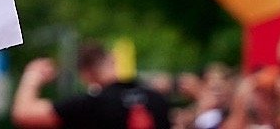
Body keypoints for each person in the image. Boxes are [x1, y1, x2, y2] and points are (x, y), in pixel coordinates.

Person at [12, 42, 172, 129]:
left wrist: (32, 75)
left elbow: (24, 115)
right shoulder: (157, 99)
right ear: (112, 59)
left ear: (85, 74)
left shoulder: (92, 105)